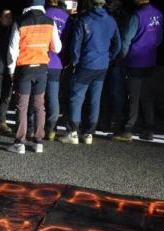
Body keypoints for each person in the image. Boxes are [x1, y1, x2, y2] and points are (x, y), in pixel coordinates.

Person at [58, 0, 121, 145]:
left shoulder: (84, 20)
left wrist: (75, 61)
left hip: (85, 65)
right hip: (102, 65)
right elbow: (118, 44)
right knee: (95, 98)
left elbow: (75, 45)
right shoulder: (111, 21)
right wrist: (109, 57)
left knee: (76, 97)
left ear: (91, 4)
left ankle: (73, 132)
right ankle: (89, 134)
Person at [6, 0, 62, 155]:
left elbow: (12, 50)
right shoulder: (50, 22)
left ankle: (19, 144)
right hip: (42, 69)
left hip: (24, 68)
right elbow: (57, 48)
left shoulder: (20, 22)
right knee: (39, 106)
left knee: (22, 106)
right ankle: (38, 142)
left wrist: (11, 70)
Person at [113, 0, 163, 142]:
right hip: (150, 59)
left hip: (135, 61)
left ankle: (127, 130)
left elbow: (126, 40)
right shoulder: (158, 14)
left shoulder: (137, 16)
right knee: (146, 95)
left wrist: (122, 57)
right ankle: (149, 129)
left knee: (132, 97)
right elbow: (159, 38)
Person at [99, 0, 128, 132]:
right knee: (107, 91)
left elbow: (120, 40)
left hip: (113, 58)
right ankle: (105, 121)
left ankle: (115, 122)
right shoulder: (112, 14)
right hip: (110, 57)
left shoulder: (120, 16)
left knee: (114, 92)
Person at [44, 0, 71, 141]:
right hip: (57, 62)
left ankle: (33, 127)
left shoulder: (44, 13)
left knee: (37, 96)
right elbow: (69, 41)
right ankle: (51, 129)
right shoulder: (67, 17)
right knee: (53, 96)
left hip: (41, 60)